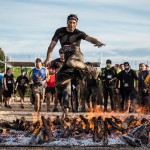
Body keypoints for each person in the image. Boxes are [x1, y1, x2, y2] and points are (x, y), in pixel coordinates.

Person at [44, 14, 105, 117]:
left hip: (77, 57)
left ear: (76, 24)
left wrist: (97, 42)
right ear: (67, 22)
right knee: (59, 83)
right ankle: (66, 111)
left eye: (74, 23)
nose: (72, 25)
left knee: (71, 62)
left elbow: (89, 38)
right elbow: (51, 46)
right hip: (68, 62)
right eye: (70, 22)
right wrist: (48, 58)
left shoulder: (78, 33)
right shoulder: (60, 31)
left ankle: (89, 69)